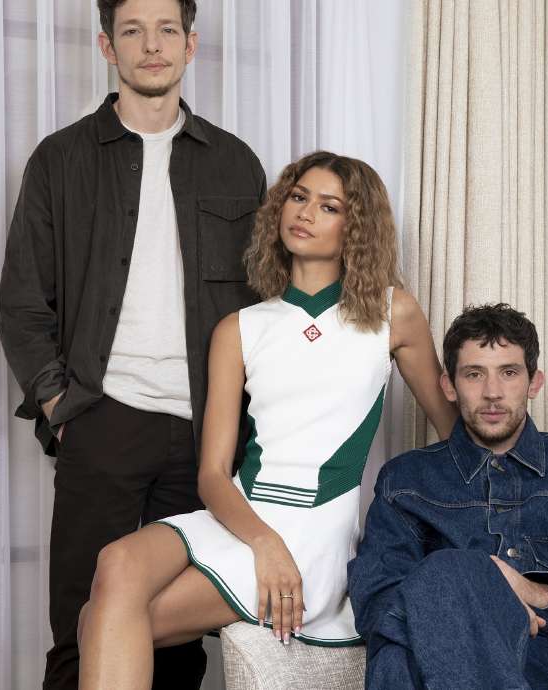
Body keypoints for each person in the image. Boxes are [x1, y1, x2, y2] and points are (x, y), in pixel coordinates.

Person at [74, 150, 458, 688]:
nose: (305, 213)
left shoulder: (394, 314)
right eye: (298, 197)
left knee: (100, 620)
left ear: (356, 228)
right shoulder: (240, 328)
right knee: (116, 562)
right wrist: (263, 541)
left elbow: (453, 432)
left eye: (329, 206)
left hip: (312, 535)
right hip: (244, 517)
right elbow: (211, 474)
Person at [0, 0, 266, 686]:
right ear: (106, 46)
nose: (152, 46)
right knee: (85, 627)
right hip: (104, 421)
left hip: (208, 435)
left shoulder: (236, 165)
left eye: (167, 30)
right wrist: (61, 405)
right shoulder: (60, 160)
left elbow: (264, 308)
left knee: (177, 637)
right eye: (133, 31)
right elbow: (22, 302)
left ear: (192, 44)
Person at [348, 303, 548, 689]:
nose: (492, 393)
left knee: (409, 638)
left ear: (534, 382)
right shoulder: (407, 480)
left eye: (509, 373)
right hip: (430, 660)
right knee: (426, 607)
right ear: (448, 385)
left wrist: (530, 591)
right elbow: (375, 604)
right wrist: (482, 590)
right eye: (474, 374)